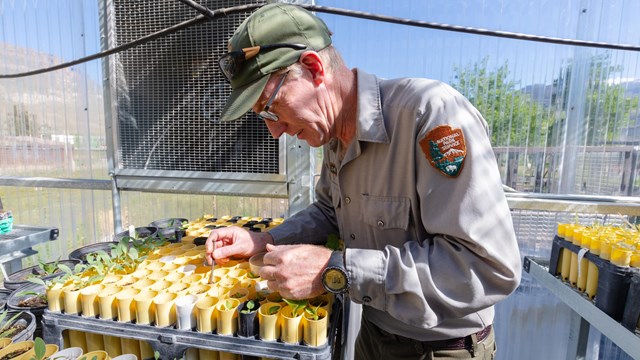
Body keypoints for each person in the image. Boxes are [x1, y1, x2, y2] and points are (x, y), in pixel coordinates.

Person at [206, 3, 521, 359]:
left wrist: (335, 268)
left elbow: (486, 265)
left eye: (270, 108)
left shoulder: (429, 115)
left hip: (443, 348)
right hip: (374, 334)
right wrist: (266, 239)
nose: (274, 131)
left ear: (313, 69)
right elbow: (329, 212)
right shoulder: (335, 137)